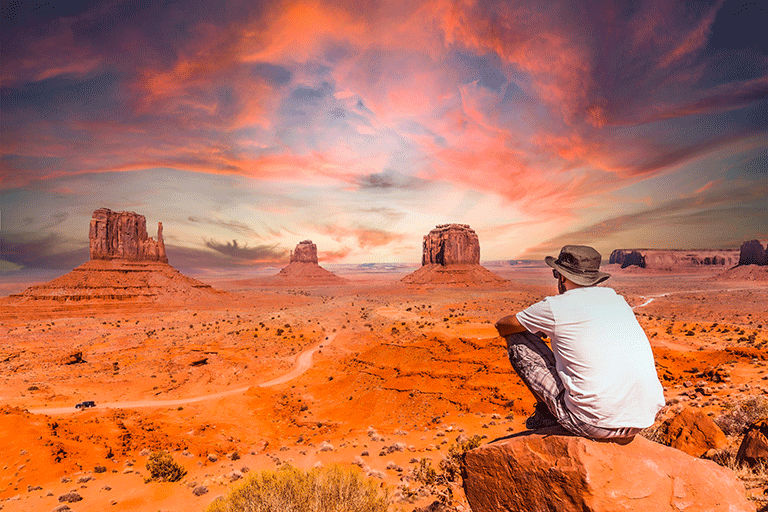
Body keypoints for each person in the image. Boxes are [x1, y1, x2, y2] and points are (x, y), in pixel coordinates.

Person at [495, 245, 665, 440]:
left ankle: (547, 414)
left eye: (555, 274)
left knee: (518, 338)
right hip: (641, 420)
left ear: (563, 277)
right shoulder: (617, 300)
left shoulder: (554, 307)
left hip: (591, 423)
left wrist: (531, 327)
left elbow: (503, 326)